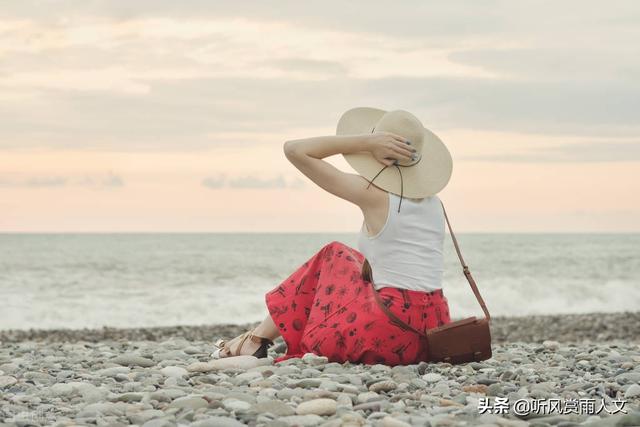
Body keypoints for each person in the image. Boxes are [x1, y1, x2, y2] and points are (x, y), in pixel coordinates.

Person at [212, 107, 454, 366]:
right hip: (432, 333)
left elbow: (295, 150)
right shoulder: (435, 203)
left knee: (333, 254)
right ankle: (255, 340)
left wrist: (365, 142)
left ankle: (256, 340)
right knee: (349, 258)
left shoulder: (372, 193)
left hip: (388, 334)